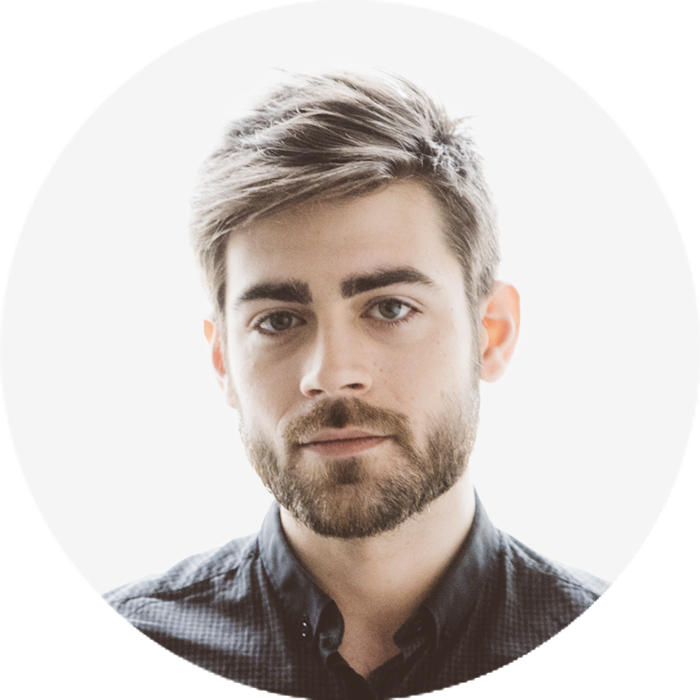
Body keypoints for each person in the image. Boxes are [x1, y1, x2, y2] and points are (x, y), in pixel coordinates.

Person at [48, 71, 700, 699]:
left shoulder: (662, 683)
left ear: (492, 333)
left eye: (390, 308)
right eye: (278, 321)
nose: (331, 374)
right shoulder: (84, 675)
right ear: (223, 361)